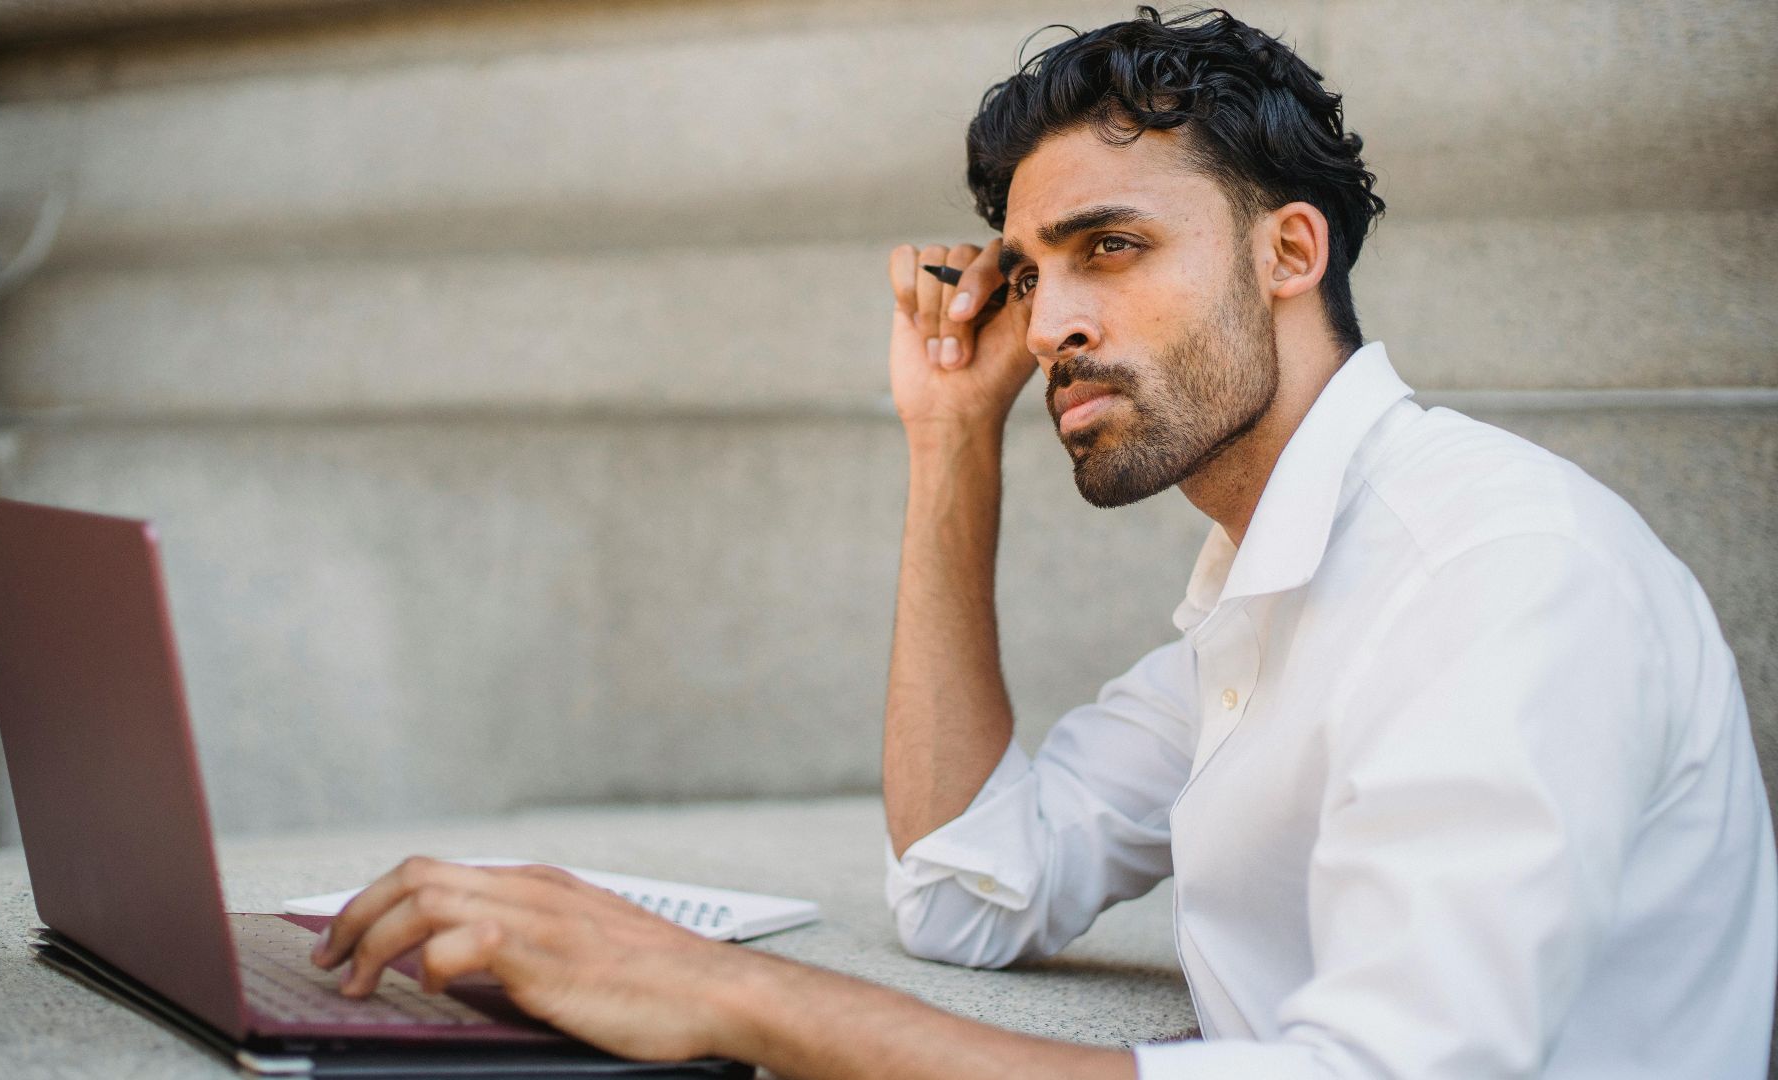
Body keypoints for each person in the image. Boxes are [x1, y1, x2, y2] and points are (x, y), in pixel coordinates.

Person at [309, 8, 1776, 1077]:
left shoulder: (1493, 573)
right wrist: (953, 435)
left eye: (1110, 249)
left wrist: (727, 998)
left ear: (1289, 253)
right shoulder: (1265, 590)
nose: (1055, 319)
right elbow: (965, 889)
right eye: (1029, 270)